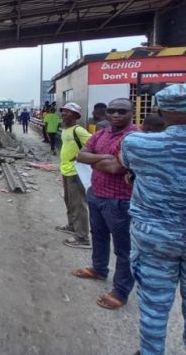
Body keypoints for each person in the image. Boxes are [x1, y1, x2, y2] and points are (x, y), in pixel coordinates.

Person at [121, 83, 186, 355]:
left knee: (154, 302)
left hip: (154, 235)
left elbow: (127, 166)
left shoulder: (137, 143)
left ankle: (150, 351)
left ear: (161, 111)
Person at [72, 98, 138, 310]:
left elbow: (117, 168)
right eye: (112, 111)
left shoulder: (135, 137)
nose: (116, 115)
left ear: (132, 113)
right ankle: (99, 269)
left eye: (122, 111)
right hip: (96, 193)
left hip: (120, 200)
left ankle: (120, 291)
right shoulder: (102, 133)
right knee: (98, 235)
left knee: (123, 248)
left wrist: (97, 159)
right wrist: (108, 158)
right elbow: (80, 155)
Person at [56, 102, 92, 249]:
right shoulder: (66, 130)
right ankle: (72, 225)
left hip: (75, 172)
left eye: (68, 112)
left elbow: (94, 143)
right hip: (66, 170)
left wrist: (79, 155)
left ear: (76, 115)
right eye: (63, 111)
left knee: (78, 204)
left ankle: (82, 237)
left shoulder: (78, 130)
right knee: (69, 201)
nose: (64, 114)